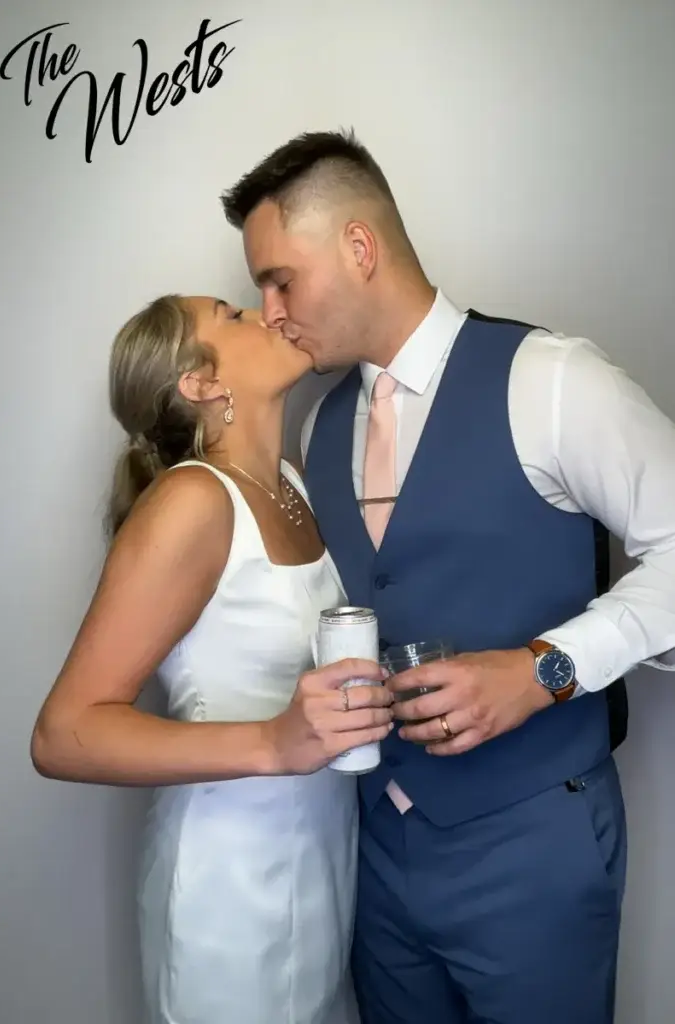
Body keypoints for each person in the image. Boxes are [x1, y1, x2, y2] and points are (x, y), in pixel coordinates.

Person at [220, 129, 675, 1024]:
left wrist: (542, 670)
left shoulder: (550, 381)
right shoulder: (322, 426)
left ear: (358, 248)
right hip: (376, 855)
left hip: (533, 846)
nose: (270, 311)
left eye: (280, 280)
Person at [30, 293, 394, 1024]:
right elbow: (62, 735)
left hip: (320, 861)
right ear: (200, 384)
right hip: (229, 887)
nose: (268, 310)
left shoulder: (291, 485)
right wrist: (271, 740)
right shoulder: (191, 502)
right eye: (232, 314)